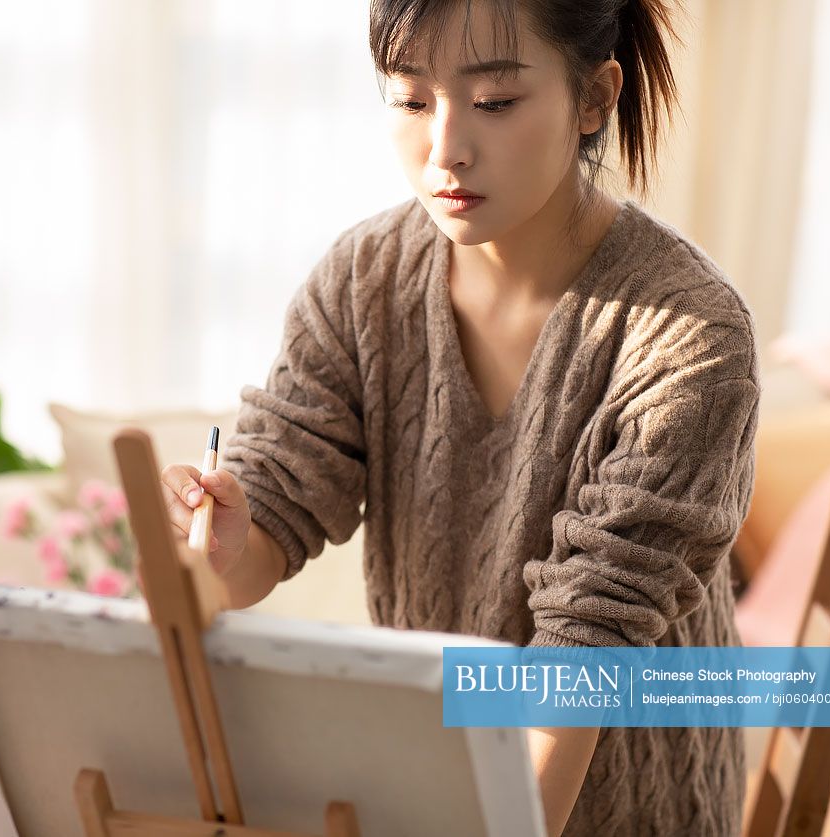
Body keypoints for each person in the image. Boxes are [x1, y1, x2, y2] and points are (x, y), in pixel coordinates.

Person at [161, 1, 756, 834]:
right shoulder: (362, 282)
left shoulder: (688, 337)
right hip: (426, 784)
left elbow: (583, 662)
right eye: (409, 100)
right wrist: (230, 541)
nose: (444, 149)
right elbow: (273, 509)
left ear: (594, 97)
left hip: (624, 808)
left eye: (495, 102)